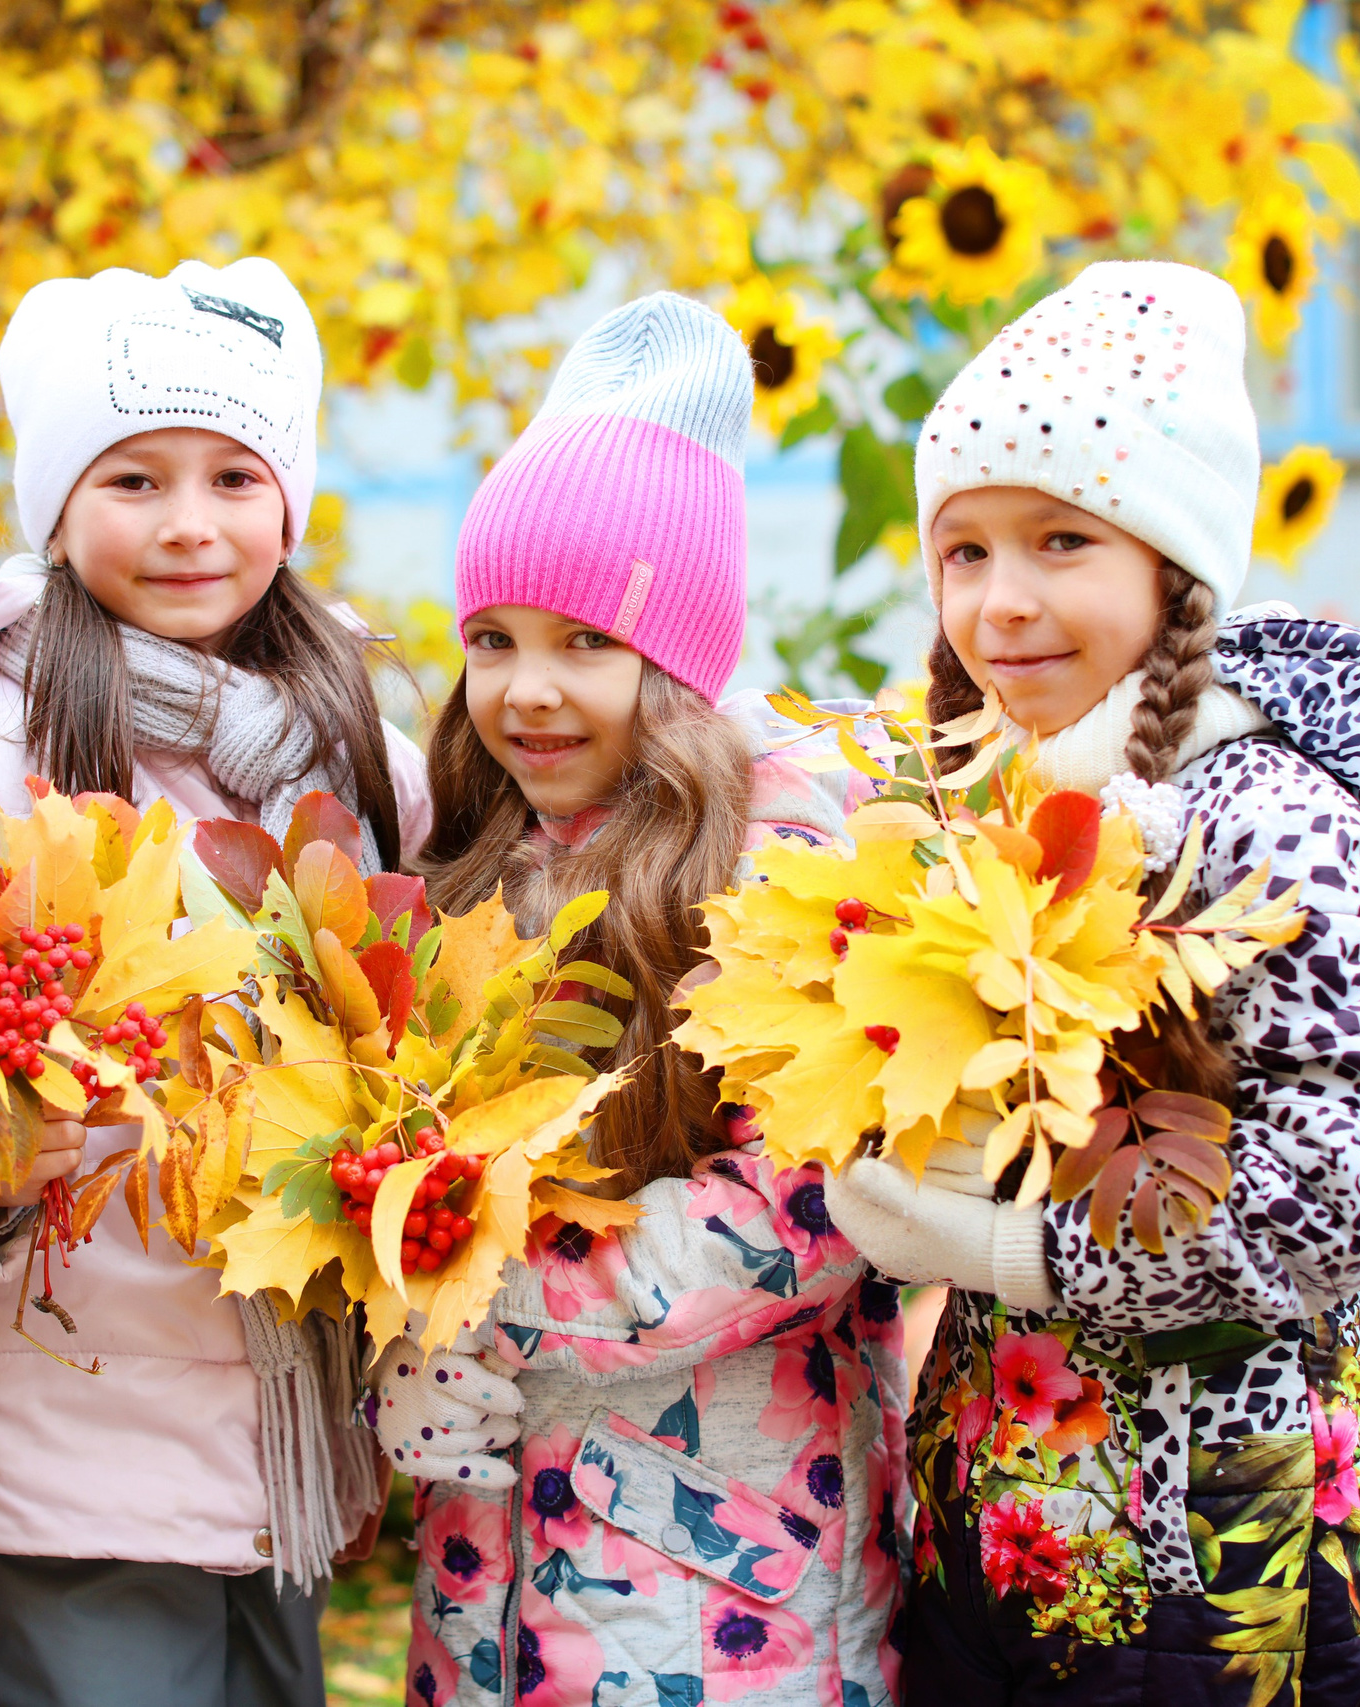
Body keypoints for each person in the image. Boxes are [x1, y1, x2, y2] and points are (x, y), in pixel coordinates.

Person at [824, 260, 1360, 1704]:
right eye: (963, 552)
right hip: (1009, 1545)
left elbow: (1346, 1202)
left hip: (1214, 1575)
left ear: (1176, 571)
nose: (1003, 601)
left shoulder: (1267, 823)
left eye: (1059, 542)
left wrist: (1014, 1253)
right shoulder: (1004, 808)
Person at [0, 257, 434, 1707]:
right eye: (134, 480)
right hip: (67, 1407)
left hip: (283, 1413)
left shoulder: (361, 759)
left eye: (233, 477)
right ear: (56, 507)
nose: (188, 526)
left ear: (287, 500)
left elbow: (418, 1031)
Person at [380, 292, 910, 1707]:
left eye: (584, 643)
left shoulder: (794, 856)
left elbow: (807, 1200)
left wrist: (489, 1307)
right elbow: (397, 1160)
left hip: (722, 1574)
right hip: (487, 1576)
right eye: (492, 638)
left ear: (676, 655)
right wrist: (400, 1331)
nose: (526, 691)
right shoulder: (478, 860)